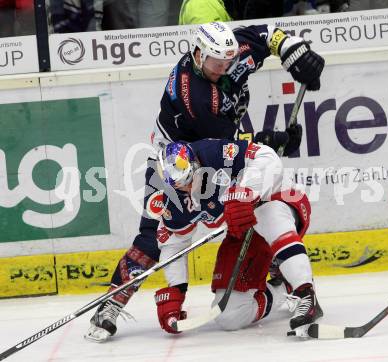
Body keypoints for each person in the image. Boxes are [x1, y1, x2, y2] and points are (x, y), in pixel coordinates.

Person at [85, 21, 324, 342]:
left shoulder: (226, 50)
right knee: (151, 236)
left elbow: (267, 35)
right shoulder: (195, 98)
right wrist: (273, 140)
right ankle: (112, 302)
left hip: (203, 154)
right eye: (216, 64)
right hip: (174, 163)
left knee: (265, 200)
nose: (222, 69)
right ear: (198, 55)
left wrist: (293, 50)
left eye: (227, 63)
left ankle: (287, 274)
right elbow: (227, 147)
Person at [153, 139, 322, 334]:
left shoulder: (215, 153)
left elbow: (268, 156)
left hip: (281, 202)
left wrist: (246, 192)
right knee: (229, 316)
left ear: (195, 164)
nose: (187, 189)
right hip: (244, 227)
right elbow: (174, 243)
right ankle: (284, 288)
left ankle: (305, 293)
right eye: (180, 187)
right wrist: (176, 290)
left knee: (267, 212)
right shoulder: (173, 199)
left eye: (189, 181)